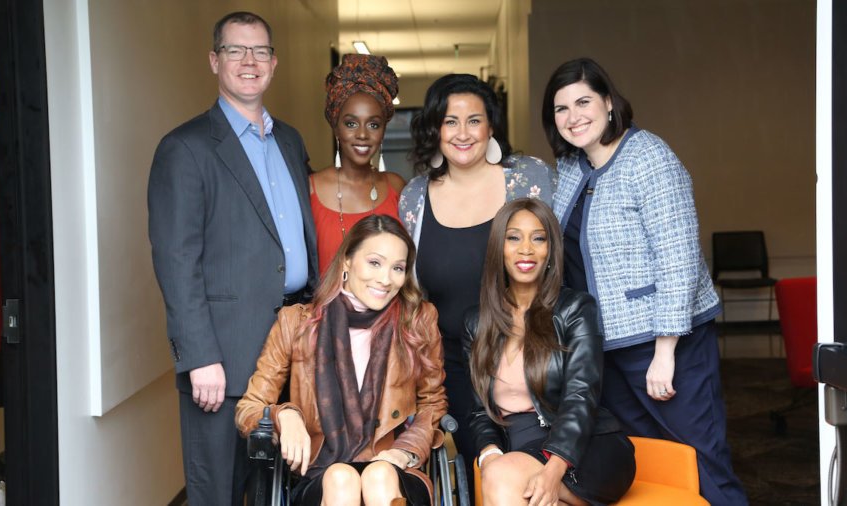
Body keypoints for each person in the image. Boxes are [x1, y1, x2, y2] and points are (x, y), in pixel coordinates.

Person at [542, 57, 746, 505]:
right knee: (647, 463)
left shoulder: (649, 157)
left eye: (583, 102)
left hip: (665, 345)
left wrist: (665, 350)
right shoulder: (572, 168)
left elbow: (680, 257)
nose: (573, 117)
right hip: (605, 348)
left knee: (700, 459)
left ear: (609, 103)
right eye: (561, 109)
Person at [148, 11, 318, 505]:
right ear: (214, 61)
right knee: (218, 492)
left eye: (260, 51)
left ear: (274, 62)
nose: (249, 61)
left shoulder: (290, 140)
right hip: (222, 362)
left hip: (292, 351)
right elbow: (177, 260)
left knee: (281, 491)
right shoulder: (185, 147)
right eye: (235, 50)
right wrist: (200, 356)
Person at [398, 74, 556, 484]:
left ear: (491, 127)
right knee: (480, 470)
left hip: (527, 357)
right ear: (435, 128)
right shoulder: (414, 196)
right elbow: (411, 289)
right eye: (450, 121)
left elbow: (556, 262)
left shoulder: (530, 178)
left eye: (474, 120)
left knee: (537, 473)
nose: (462, 133)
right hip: (455, 367)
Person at [235, 215, 447, 505]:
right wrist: (284, 415)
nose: (386, 279)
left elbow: (432, 404)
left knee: (378, 475)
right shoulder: (296, 323)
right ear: (347, 261)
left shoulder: (418, 320)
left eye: (397, 268)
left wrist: (404, 451)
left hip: (396, 468)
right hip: (323, 476)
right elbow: (248, 408)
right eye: (374, 262)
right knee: (341, 478)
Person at [464, 198, 636, 505]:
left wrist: (554, 469)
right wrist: (489, 453)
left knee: (503, 479)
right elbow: (480, 410)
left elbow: (581, 394)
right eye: (513, 237)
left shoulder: (575, 309)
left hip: (585, 448)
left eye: (538, 238)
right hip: (518, 448)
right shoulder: (476, 323)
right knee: (500, 475)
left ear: (550, 251)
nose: (526, 249)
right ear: (497, 249)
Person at [311, 54, 406, 275]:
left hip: (392, 309)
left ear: (383, 131)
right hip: (326, 310)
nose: (362, 134)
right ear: (336, 127)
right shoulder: (310, 189)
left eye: (373, 124)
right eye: (351, 123)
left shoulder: (397, 187)